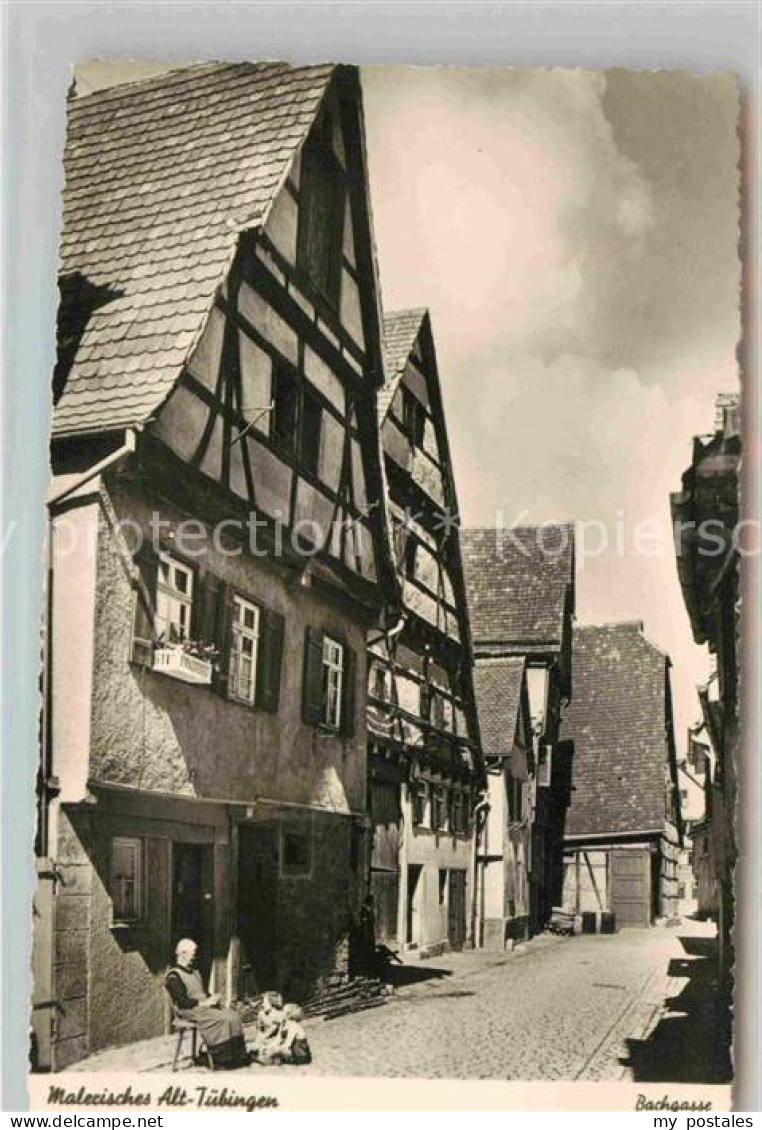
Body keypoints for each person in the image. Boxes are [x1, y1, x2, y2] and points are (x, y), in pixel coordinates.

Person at [165, 939, 249, 1069]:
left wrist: (212, 998)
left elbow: (203, 992)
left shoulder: (195, 972)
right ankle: (221, 1059)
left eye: (194, 954)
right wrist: (203, 1003)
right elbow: (182, 1001)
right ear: (182, 953)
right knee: (222, 1019)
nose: (194, 957)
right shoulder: (173, 976)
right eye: (192, 954)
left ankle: (236, 1056)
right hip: (189, 1009)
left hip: (203, 1006)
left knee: (234, 1016)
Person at [253, 991, 284, 1062]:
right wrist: (257, 1041)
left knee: (270, 1050)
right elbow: (260, 1030)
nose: (263, 1004)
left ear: (272, 1002)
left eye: (265, 1002)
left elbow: (273, 1029)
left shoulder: (279, 1014)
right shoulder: (261, 1014)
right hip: (265, 1039)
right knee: (255, 1048)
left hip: (277, 1038)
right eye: (262, 1002)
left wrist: (263, 1039)